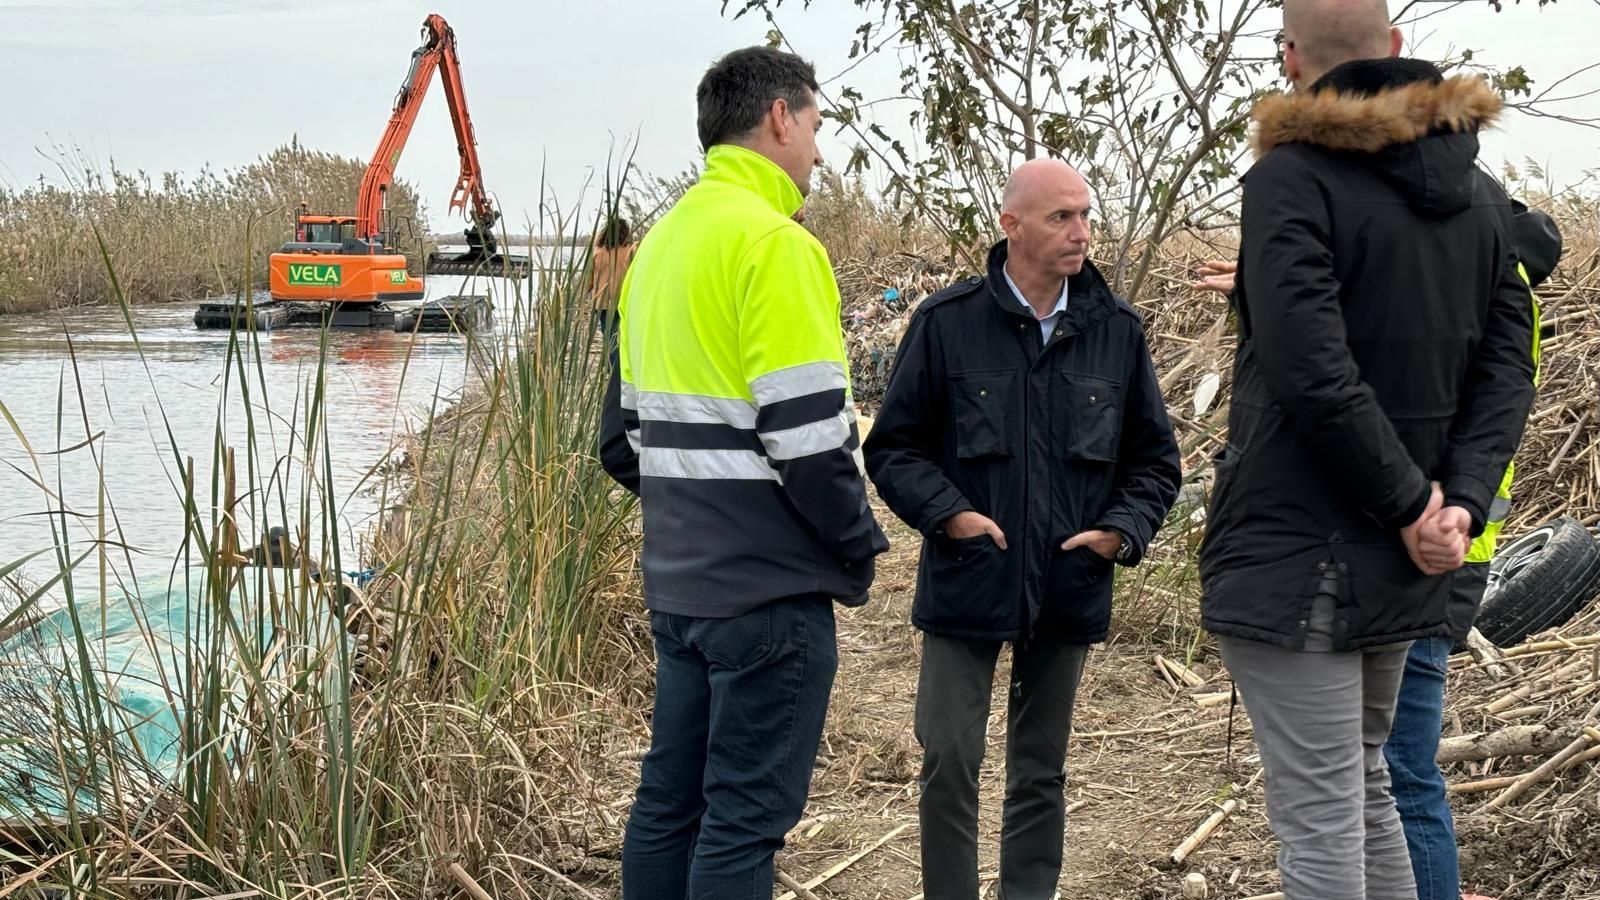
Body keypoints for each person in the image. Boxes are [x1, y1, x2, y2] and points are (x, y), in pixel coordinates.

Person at [1195, 0, 1539, 896]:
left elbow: (1309, 367)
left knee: (1322, 823)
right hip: (1407, 562)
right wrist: (1456, 502)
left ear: (1290, 59)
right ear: (1394, 47)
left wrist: (1413, 505)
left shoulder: (1290, 178)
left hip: (1298, 554)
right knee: (1369, 789)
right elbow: (1508, 367)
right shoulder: (1482, 195)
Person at [597, 46, 889, 900]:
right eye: (817, 126)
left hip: (680, 583)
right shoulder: (774, 245)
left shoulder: (659, 248)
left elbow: (624, 439)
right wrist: (856, 545)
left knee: (668, 807)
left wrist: (692, 504)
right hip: (767, 588)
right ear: (779, 118)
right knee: (742, 822)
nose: (820, 152)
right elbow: (808, 438)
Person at [863, 158, 1181, 900]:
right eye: (1061, 217)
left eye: (1086, 215)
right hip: (968, 577)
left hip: (1069, 581)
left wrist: (1120, 531)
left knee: (1041, 769)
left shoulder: (1117, 332)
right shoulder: (946, 324)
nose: (1082, 232)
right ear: (1011, 225)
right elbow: (894, 448)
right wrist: (951, 515)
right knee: (948, 759)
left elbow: (1154, 463)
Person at [589, 213, 635, 335]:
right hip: (625, 299)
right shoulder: (631, 251)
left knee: (609, 336)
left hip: (602, 301)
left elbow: (588, 282)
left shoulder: (597, 252)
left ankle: (612, 348)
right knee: (625, 334)